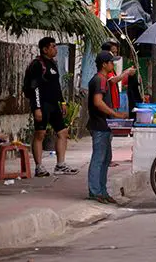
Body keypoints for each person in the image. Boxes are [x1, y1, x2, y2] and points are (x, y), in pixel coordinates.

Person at [24, 37, 78, 177]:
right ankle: (39, 167)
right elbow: (34, 87)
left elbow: (56, 86)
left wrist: (63, 102)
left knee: (62, 132)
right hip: (42, 105)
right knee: (40, 134)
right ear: (45, 49)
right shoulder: (37, 64)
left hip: (54, 105)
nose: (55, 49)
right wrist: (37, 108)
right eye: (53, 46)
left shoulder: (53, 64)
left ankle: (60, 165)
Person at [87, 51, 128, 204]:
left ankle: (102, 190)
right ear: (104, 64)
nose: (112, 64)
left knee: (105, 158)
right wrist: (115, 114)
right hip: (99, 124)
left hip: (105, 124)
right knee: (99, 158)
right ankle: (95, 191)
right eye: (110, 62)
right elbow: (98, 102)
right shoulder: (99, 80)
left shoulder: (104, 79)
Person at [101, 40, 136, 111]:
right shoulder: (105, 66)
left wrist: (127, 72)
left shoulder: (111, 65)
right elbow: (113, 80)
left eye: (116, 52)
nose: (115, 54)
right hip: (108, 104)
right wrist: (126, 72)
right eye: (113, 52)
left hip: (114, 103)